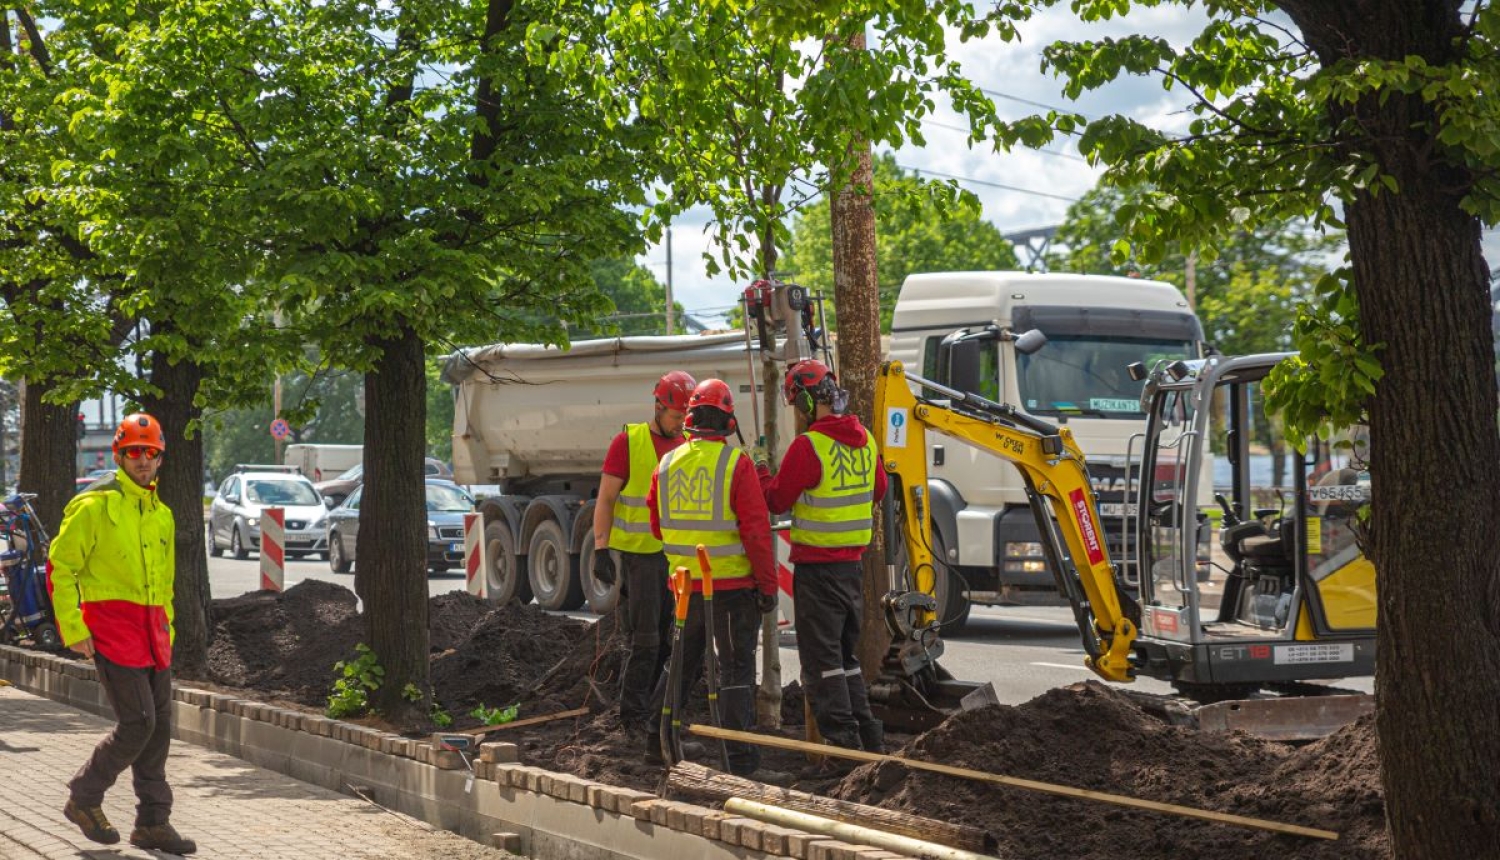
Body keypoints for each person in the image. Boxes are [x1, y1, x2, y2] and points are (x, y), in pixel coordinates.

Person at [48, 413, 196, 855]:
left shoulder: (162, 515)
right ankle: (84, 796)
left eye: (151, 452)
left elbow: (164, 584)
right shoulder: (94, 505)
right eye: (134, 451)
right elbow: (61, 567)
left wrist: (167, 628)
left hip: (153, 635)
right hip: (112, 632)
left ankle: (153, 822)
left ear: (160, 458)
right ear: (119, 455)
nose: (143, 460)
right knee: (139, 723)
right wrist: (73, 628)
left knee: (160, 729)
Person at [643, 378, 788, 784]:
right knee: (737, 671)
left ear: (690, 420)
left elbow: (658, 527)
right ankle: (738, 761)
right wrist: (767, 585)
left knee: (682, 666)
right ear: (727, 423)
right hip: (731, 589)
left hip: (686, 588)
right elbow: (756, 531)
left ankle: (657, 742)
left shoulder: (667, 464)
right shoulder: (736, 464)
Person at [762, 359, 887, 753]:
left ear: (806, 400)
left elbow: (778, 499)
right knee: (845, 658)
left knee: (821, 663)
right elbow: (878, 490)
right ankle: (868, 739)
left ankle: (842, 750)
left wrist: (762, 471)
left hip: (818, 571)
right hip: (852, 570)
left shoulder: (809, 446)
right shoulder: (865, 439)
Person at [591, 370, 696, 739]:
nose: (681, 422)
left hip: (677, 557)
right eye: (675, 415)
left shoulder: (690, 445)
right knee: (647, 639)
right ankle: (632, 714)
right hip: (642, 557)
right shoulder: (630, 441)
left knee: (673, 639)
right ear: (658, 405)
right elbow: (606, 498)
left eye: (686, 415)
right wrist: (601, 547)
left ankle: (659, 712)